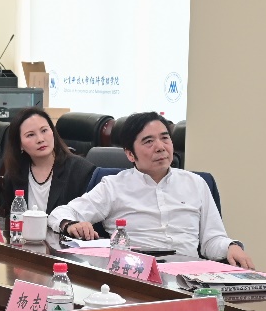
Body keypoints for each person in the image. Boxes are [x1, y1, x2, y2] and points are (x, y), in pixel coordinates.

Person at [48, 112, 253, 267]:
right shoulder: (113, 186)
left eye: (165, 138)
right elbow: (60, 213)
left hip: (189, 275)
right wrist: (70, 224)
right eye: (148, 142)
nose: (160, 147)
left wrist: (231, 246)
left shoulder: (196, 183)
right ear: (130, 154)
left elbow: (212, 240)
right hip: (137, 274)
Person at [0, 107, 95, 213]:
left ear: (53, 132)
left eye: (44, 130)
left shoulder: (80, 170)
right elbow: (8, 216)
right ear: (19, 144)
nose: (40, 139)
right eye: (30, 135)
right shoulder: (14, 174)